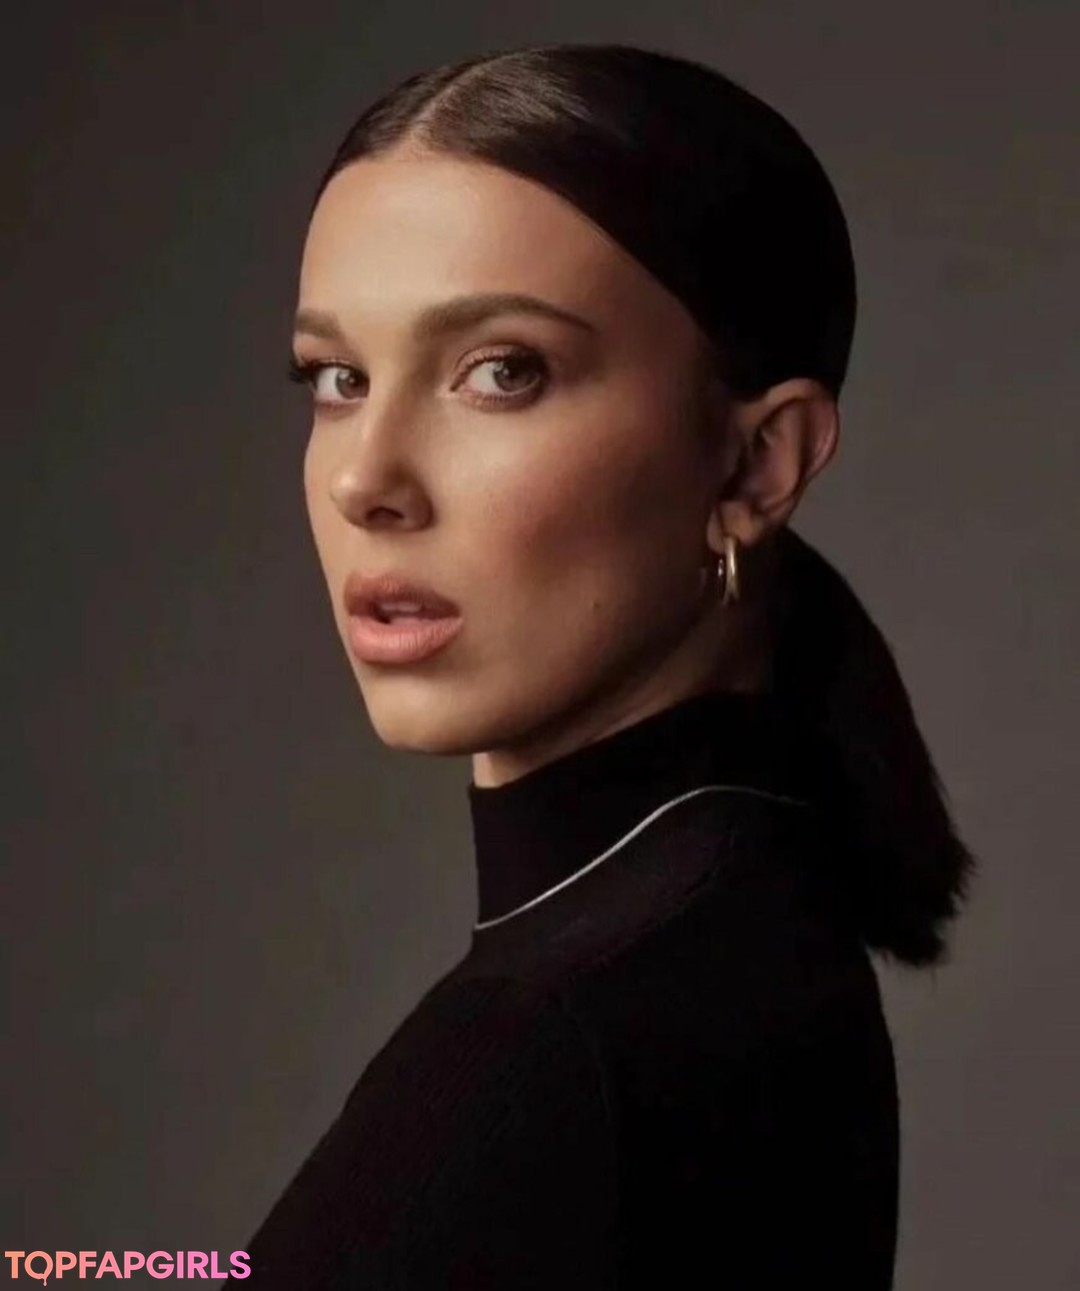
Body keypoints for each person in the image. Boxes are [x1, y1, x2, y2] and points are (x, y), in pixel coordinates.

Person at [238, 41, 976, 1288]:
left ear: (757, 462)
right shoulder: (742, 919)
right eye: (338, 378)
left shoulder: (554, 1032)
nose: (365, 478)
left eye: (502, 372)